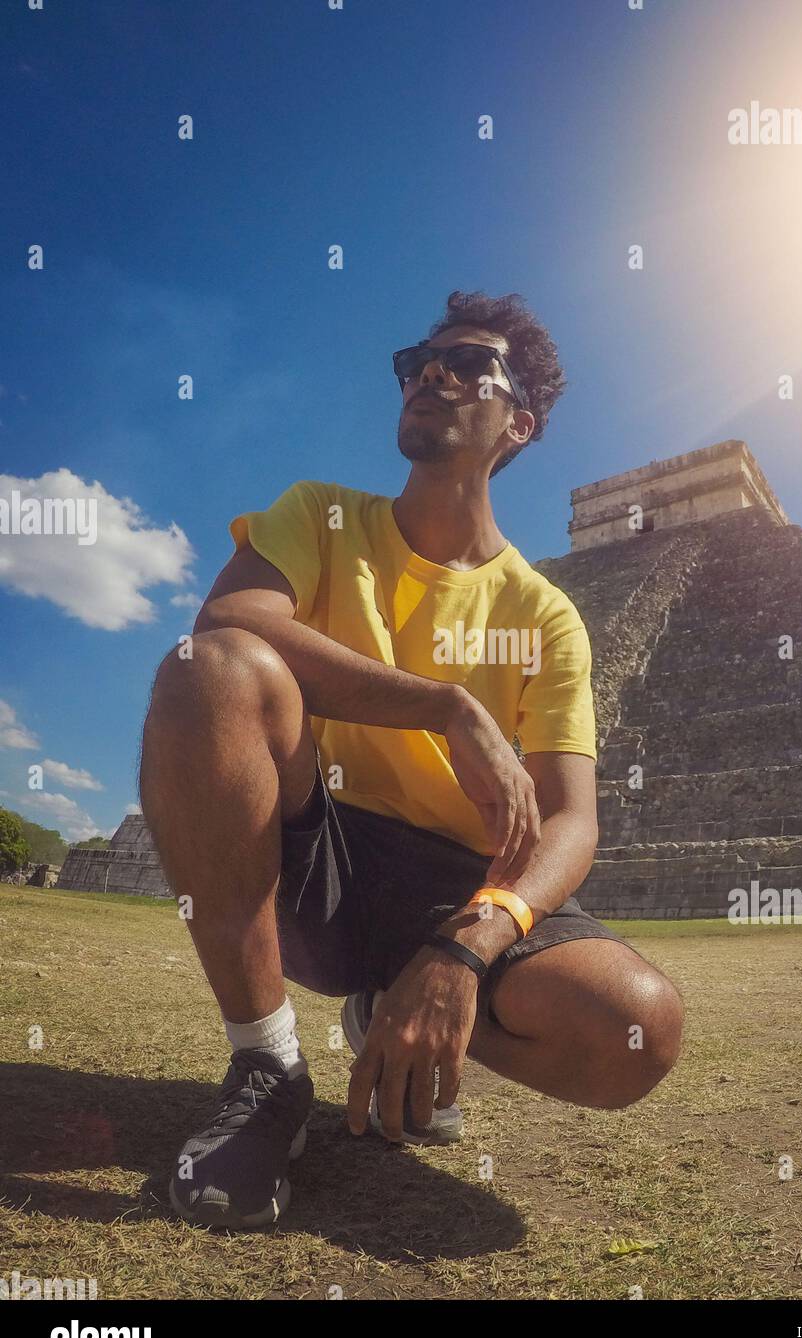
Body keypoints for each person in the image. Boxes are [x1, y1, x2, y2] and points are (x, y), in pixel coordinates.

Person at [139, 290, 684, 1230]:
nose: (431, 373)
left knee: (636, 1030)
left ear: (519, 424)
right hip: (313, 852)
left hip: (452, 886)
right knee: (212, 671)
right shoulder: (319, 515)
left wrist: (466, 948)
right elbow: (227, 625)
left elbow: (571, 820)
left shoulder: (546, 614)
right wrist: (445, 706)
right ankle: (267, 1066)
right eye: (419, 361)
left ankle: (392, 997)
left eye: (468, 363)